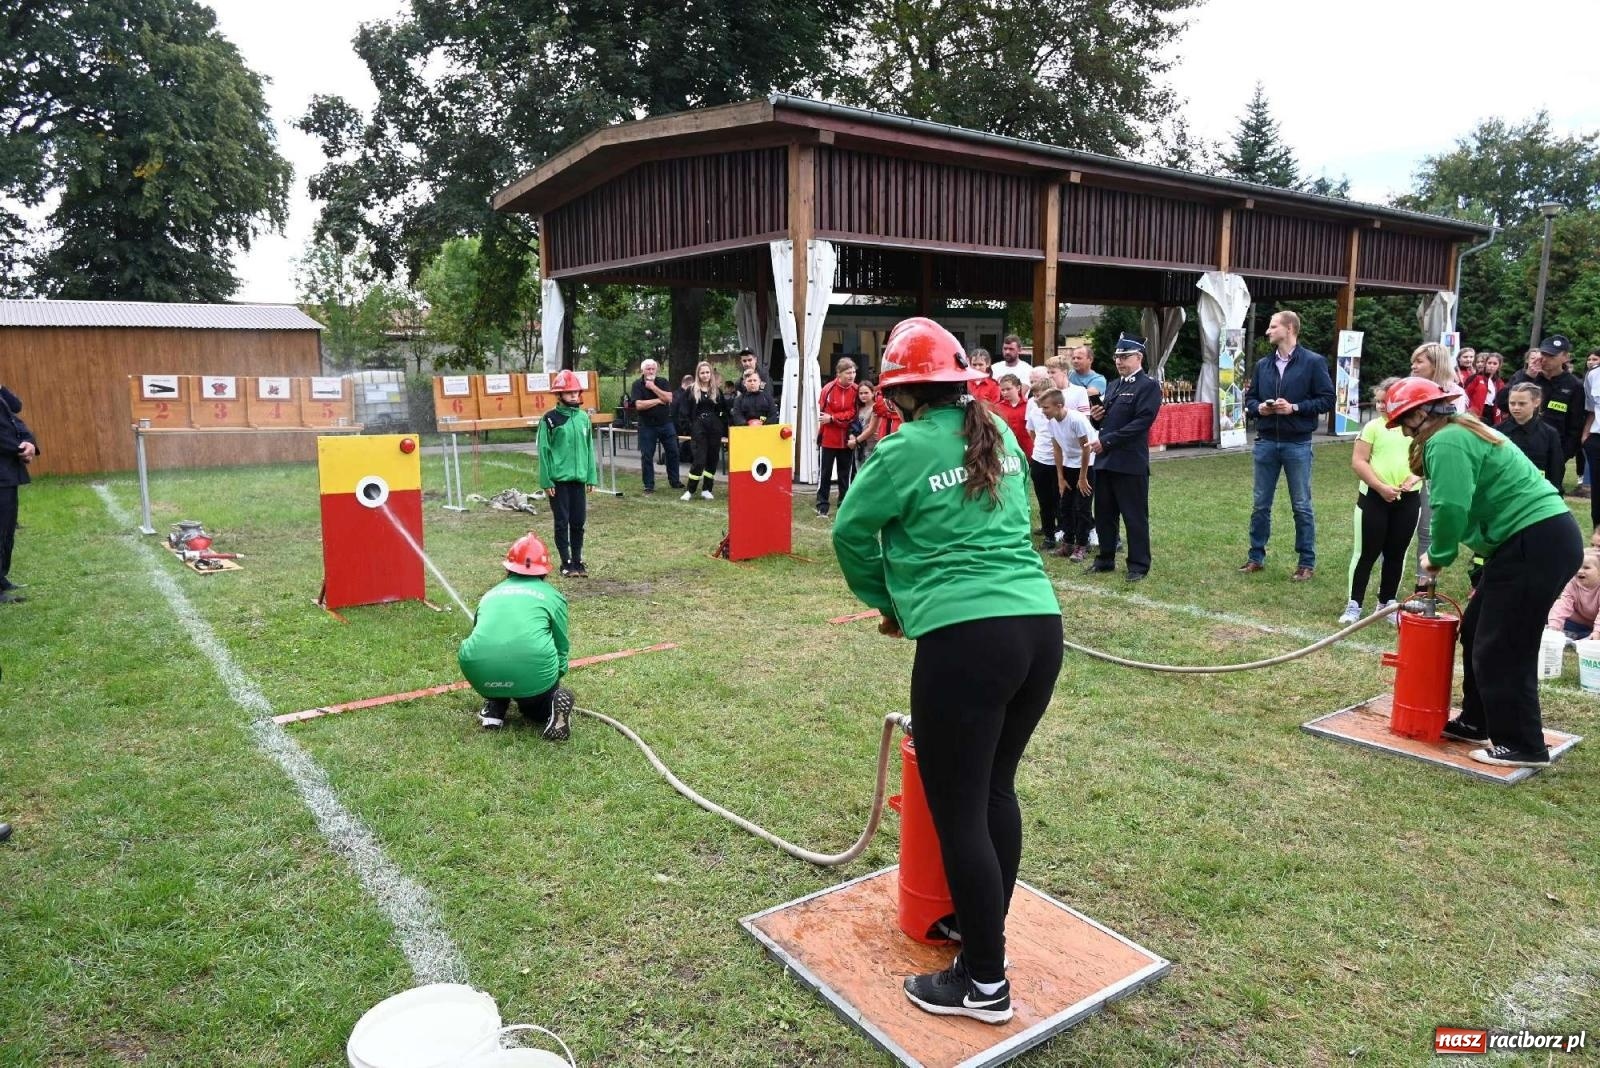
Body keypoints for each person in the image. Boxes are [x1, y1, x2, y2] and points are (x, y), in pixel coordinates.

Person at [831, 317, 1062, 1025]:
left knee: (958, 810)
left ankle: (984, 986)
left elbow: (848, 532)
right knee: (995, 790)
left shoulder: (903, 450)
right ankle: (977, 928)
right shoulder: (997, 432)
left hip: (965, 642)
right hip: (1039, 630)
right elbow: (1016, 523)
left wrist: (888, 601)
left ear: (901, 393)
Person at [1388, 376, 1582, 767]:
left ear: (1421, 414)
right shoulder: (1460, 430)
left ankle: (1523, 745)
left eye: (1405, 422)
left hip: (1535, 542)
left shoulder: (1446, 440)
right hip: (1532, 541)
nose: (1405, 431)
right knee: (1478, 629)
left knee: (1504, 645)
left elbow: (1451, 506)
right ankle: (1479, 721)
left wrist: (1437, 556)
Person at [1239, 310, 1335, 581]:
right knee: (1260, 504)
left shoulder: (1313, 362)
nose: (1268, 331)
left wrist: (1294, 408)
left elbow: (1327, 399)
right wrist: (1259, 408)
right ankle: (1255, 556)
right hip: (1266, 442)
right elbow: (1250, 399)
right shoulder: (1263, 365)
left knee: (1301, 505)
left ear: (1289, 329)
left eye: (1273, 326)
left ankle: (1306, 562)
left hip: (1298, 444)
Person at [458, 532, 574, 737]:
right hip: (533, 675)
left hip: (481, 674)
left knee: (496, 658)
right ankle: (548, 709)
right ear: (544, 571)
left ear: (508, 567)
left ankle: (494, 708)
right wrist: (556, 676)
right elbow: (561, 645)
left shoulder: (490, 594)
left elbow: (480, 632)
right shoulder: (554, 597)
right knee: (534, 711)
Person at [1338, 378, 1421, 625]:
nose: (1382, 406)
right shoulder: (1373, 427)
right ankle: (1354, 604)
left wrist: (1414, 476)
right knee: (1366, 553)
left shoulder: (1417, 428)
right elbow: (1359, 461)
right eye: (1378, 401)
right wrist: (1380, 487)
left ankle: (1387, 604)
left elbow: (1427, 461)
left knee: (1397, 553)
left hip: (1407, 499)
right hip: (1374, 498)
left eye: (1387, 401)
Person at [1085, 334, 1161, 581]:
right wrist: (1096, 418)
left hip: (1129, 462)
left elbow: (1140, 423)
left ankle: (1138, 565)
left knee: (1134, 516)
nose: (1119, 361)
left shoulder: (1148, 386)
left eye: (1125, 356)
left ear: (1138, 357)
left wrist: (1105, 442)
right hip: (1106, 461)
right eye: (1117, 356)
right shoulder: (1115, 385)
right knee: (1105, 514)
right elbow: (1108, 422)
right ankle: (1105, 559)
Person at [536, 370, 597, 577]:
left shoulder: (583, 418)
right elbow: (543, 450)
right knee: (562, 521)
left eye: (576, 392)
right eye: (569, 392)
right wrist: (547, 480)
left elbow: (589, 448)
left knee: (578, 521)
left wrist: (591, 476)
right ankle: (566, 562)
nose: (573, 395)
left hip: (578, 480)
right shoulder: (550, 420)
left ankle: (578, 560)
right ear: (559, 395)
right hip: (559, 481)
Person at [1, 383, 37, 605]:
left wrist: (29, 442)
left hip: (7, 474)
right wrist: (20, 448)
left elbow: (16, 411)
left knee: (6, 530)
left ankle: (1, 578)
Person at [1049, 396, 1098, 561]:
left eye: (1046, 407)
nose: (1043, 411)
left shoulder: (1076, 420)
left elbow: (1086, 449)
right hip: (1069, 466)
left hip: (1087, 465)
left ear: (1059, 405)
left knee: (1082, 508)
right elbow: (1057, 450)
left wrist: (1083, 477)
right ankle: (1068, 543)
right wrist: (1060, 477)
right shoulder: (1052, 422)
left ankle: (1082, 545)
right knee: (1065, 506)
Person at [628, 359, 682, 494]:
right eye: (648, 369)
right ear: (642, 370)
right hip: (647, 426)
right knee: (647, 455)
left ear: (656, 370)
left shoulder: (663, 382)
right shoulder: (637, 385)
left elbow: (669, 398)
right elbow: (639, 405)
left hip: (665, 423)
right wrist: (659, 400)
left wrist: (653, 388)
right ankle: (648, 485)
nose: (651, 371)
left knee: (673, 452)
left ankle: (675, 481)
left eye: (653, 369)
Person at [1026, 389, 1069, 552]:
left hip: (1060, 463)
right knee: (1045, 502)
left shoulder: (1062, 415)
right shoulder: (1035, 413)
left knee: (1061, 501)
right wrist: (1039, 447)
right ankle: (1049, 536)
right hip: (1039, 461)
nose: (1042, 409)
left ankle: (1066, 534)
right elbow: (1031, 431)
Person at [816, 357, 859, 517]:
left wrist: (834, 418)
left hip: (847, 440)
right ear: (839, 373)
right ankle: (822, 506)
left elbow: (853, 414)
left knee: (845, 474)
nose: (852, 375)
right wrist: (836, 419)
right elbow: (823, 415)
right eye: (848, 372)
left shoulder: (856, 390)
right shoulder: (828, 389)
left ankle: (844, 505)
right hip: (828, 439)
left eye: (854, 372)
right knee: (825, 474)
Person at [680, 361, 729, 501]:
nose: (705, 375)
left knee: (712, 459)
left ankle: (707, 489)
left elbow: (723, 411)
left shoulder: (716, 391)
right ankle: (690, 490)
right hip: (698, 428)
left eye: (707, 372)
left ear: (711, 374)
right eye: (702, 372)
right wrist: (690, 427)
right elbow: (684, 412)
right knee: (699, 460)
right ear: (698, 374)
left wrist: (720, 423)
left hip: (714, 429)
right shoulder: (691, 390)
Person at [1502, 382, 1564, 492]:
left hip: (1537, 492)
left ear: (1536, 402)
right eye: (1512, 403)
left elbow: (1556, 470)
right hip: (1505, 492)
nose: (1516, 408)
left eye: (1522, 404)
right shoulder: (1497, 431)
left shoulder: (1549, 434)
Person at [1547, 549, 1600, 641]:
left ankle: (1588, 636)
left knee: (1594, 634)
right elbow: (1563, 605)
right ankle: (1560, 631)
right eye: (1578, 566)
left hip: (1597, 624)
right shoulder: (1572, 583)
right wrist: (1554, 627)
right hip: (1579, 622)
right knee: (1555, 609)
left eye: (1586, 567)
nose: (1579, 571)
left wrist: (1597, 632)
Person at [994, 374, 1031, 455]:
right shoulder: (997, 407)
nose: (1005, 392)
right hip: (1008, 448)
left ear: (1018, 388)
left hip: (1028, 448)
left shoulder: (1029, 405)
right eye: (1002, 390)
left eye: (1008, 389)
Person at [1068, 345, 1107, 412]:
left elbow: (1089, 394)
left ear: (1090, 360)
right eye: (1073, 358)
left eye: (1079, 358)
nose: (1075, 361)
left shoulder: (1098, 379)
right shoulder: (1068, 374)